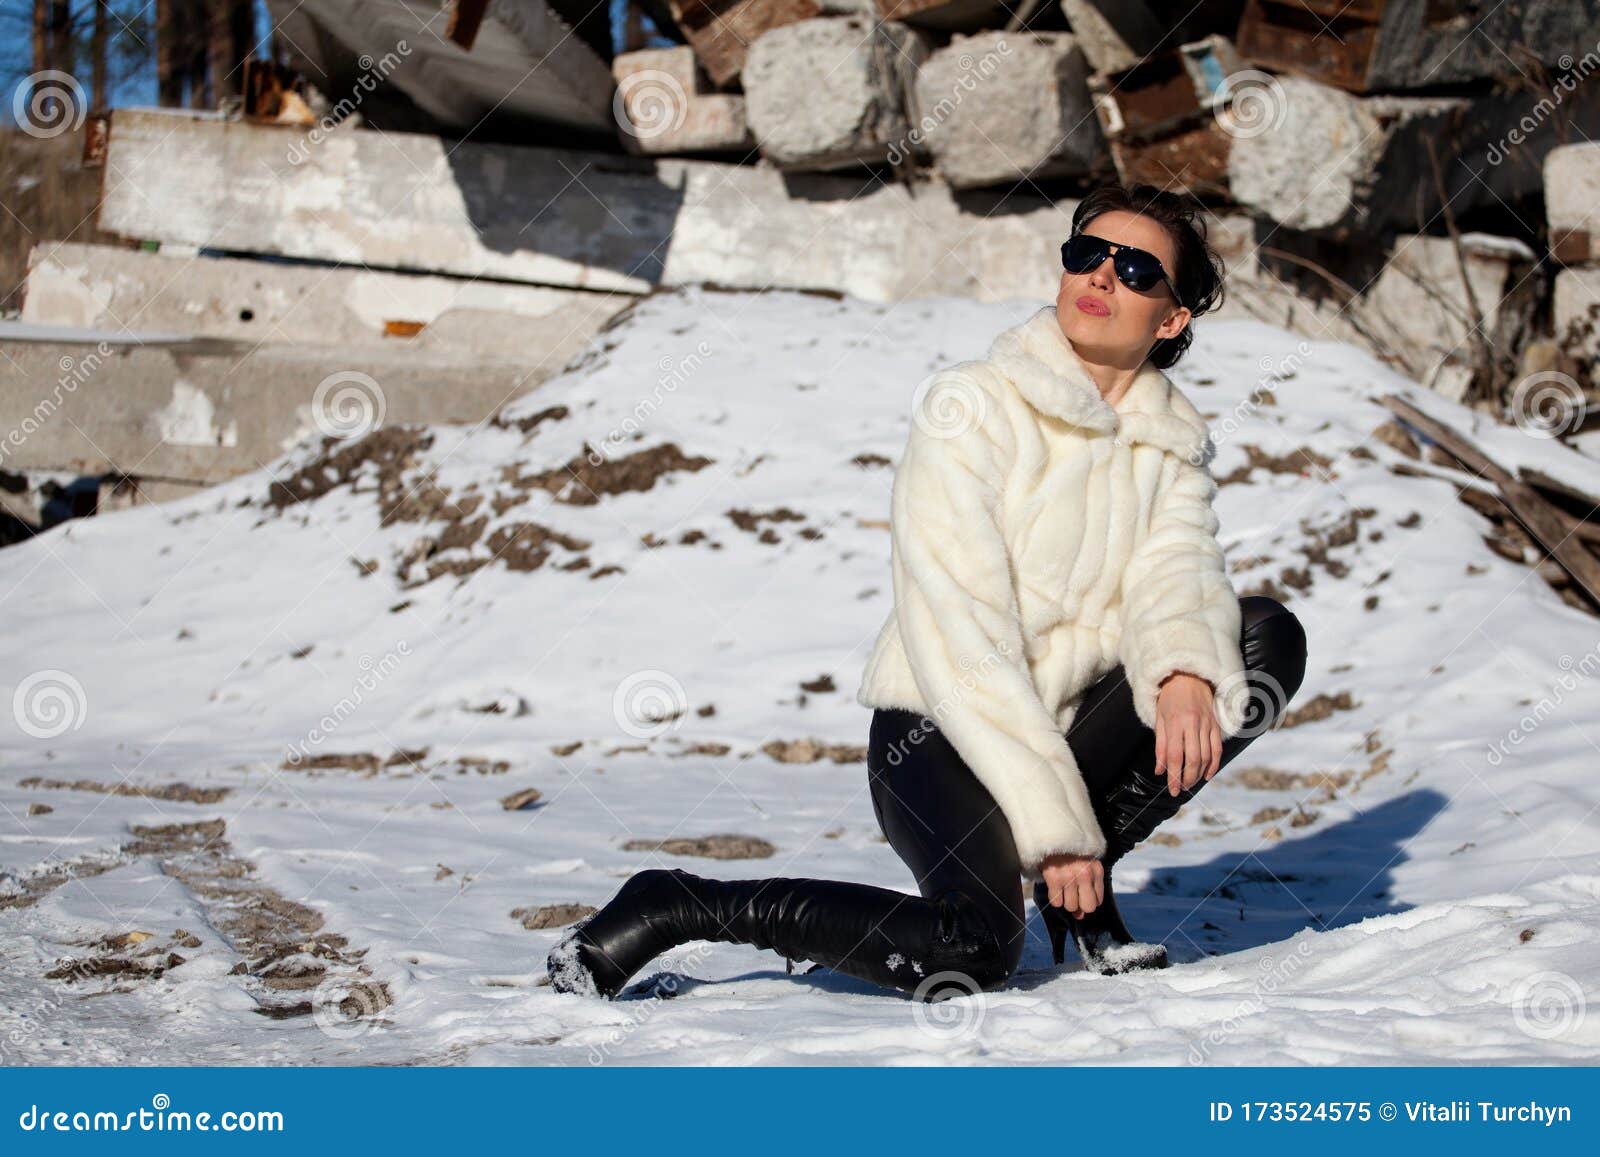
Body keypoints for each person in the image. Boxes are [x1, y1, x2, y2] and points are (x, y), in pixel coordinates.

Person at [548, 181, 1308, 1002]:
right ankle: (683, 903)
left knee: (1261, 638)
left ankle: (1081, 886)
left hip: (1070, 726)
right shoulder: (972, 404)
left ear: (1171, 319)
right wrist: (1056, 827)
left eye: (1134, 269)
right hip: (940, 725)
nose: (1100, 277)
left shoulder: (1171, 443)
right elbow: (962, 630)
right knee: (975, 950)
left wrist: (1185, 668)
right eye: (1086, 254)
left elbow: (1179, 568)